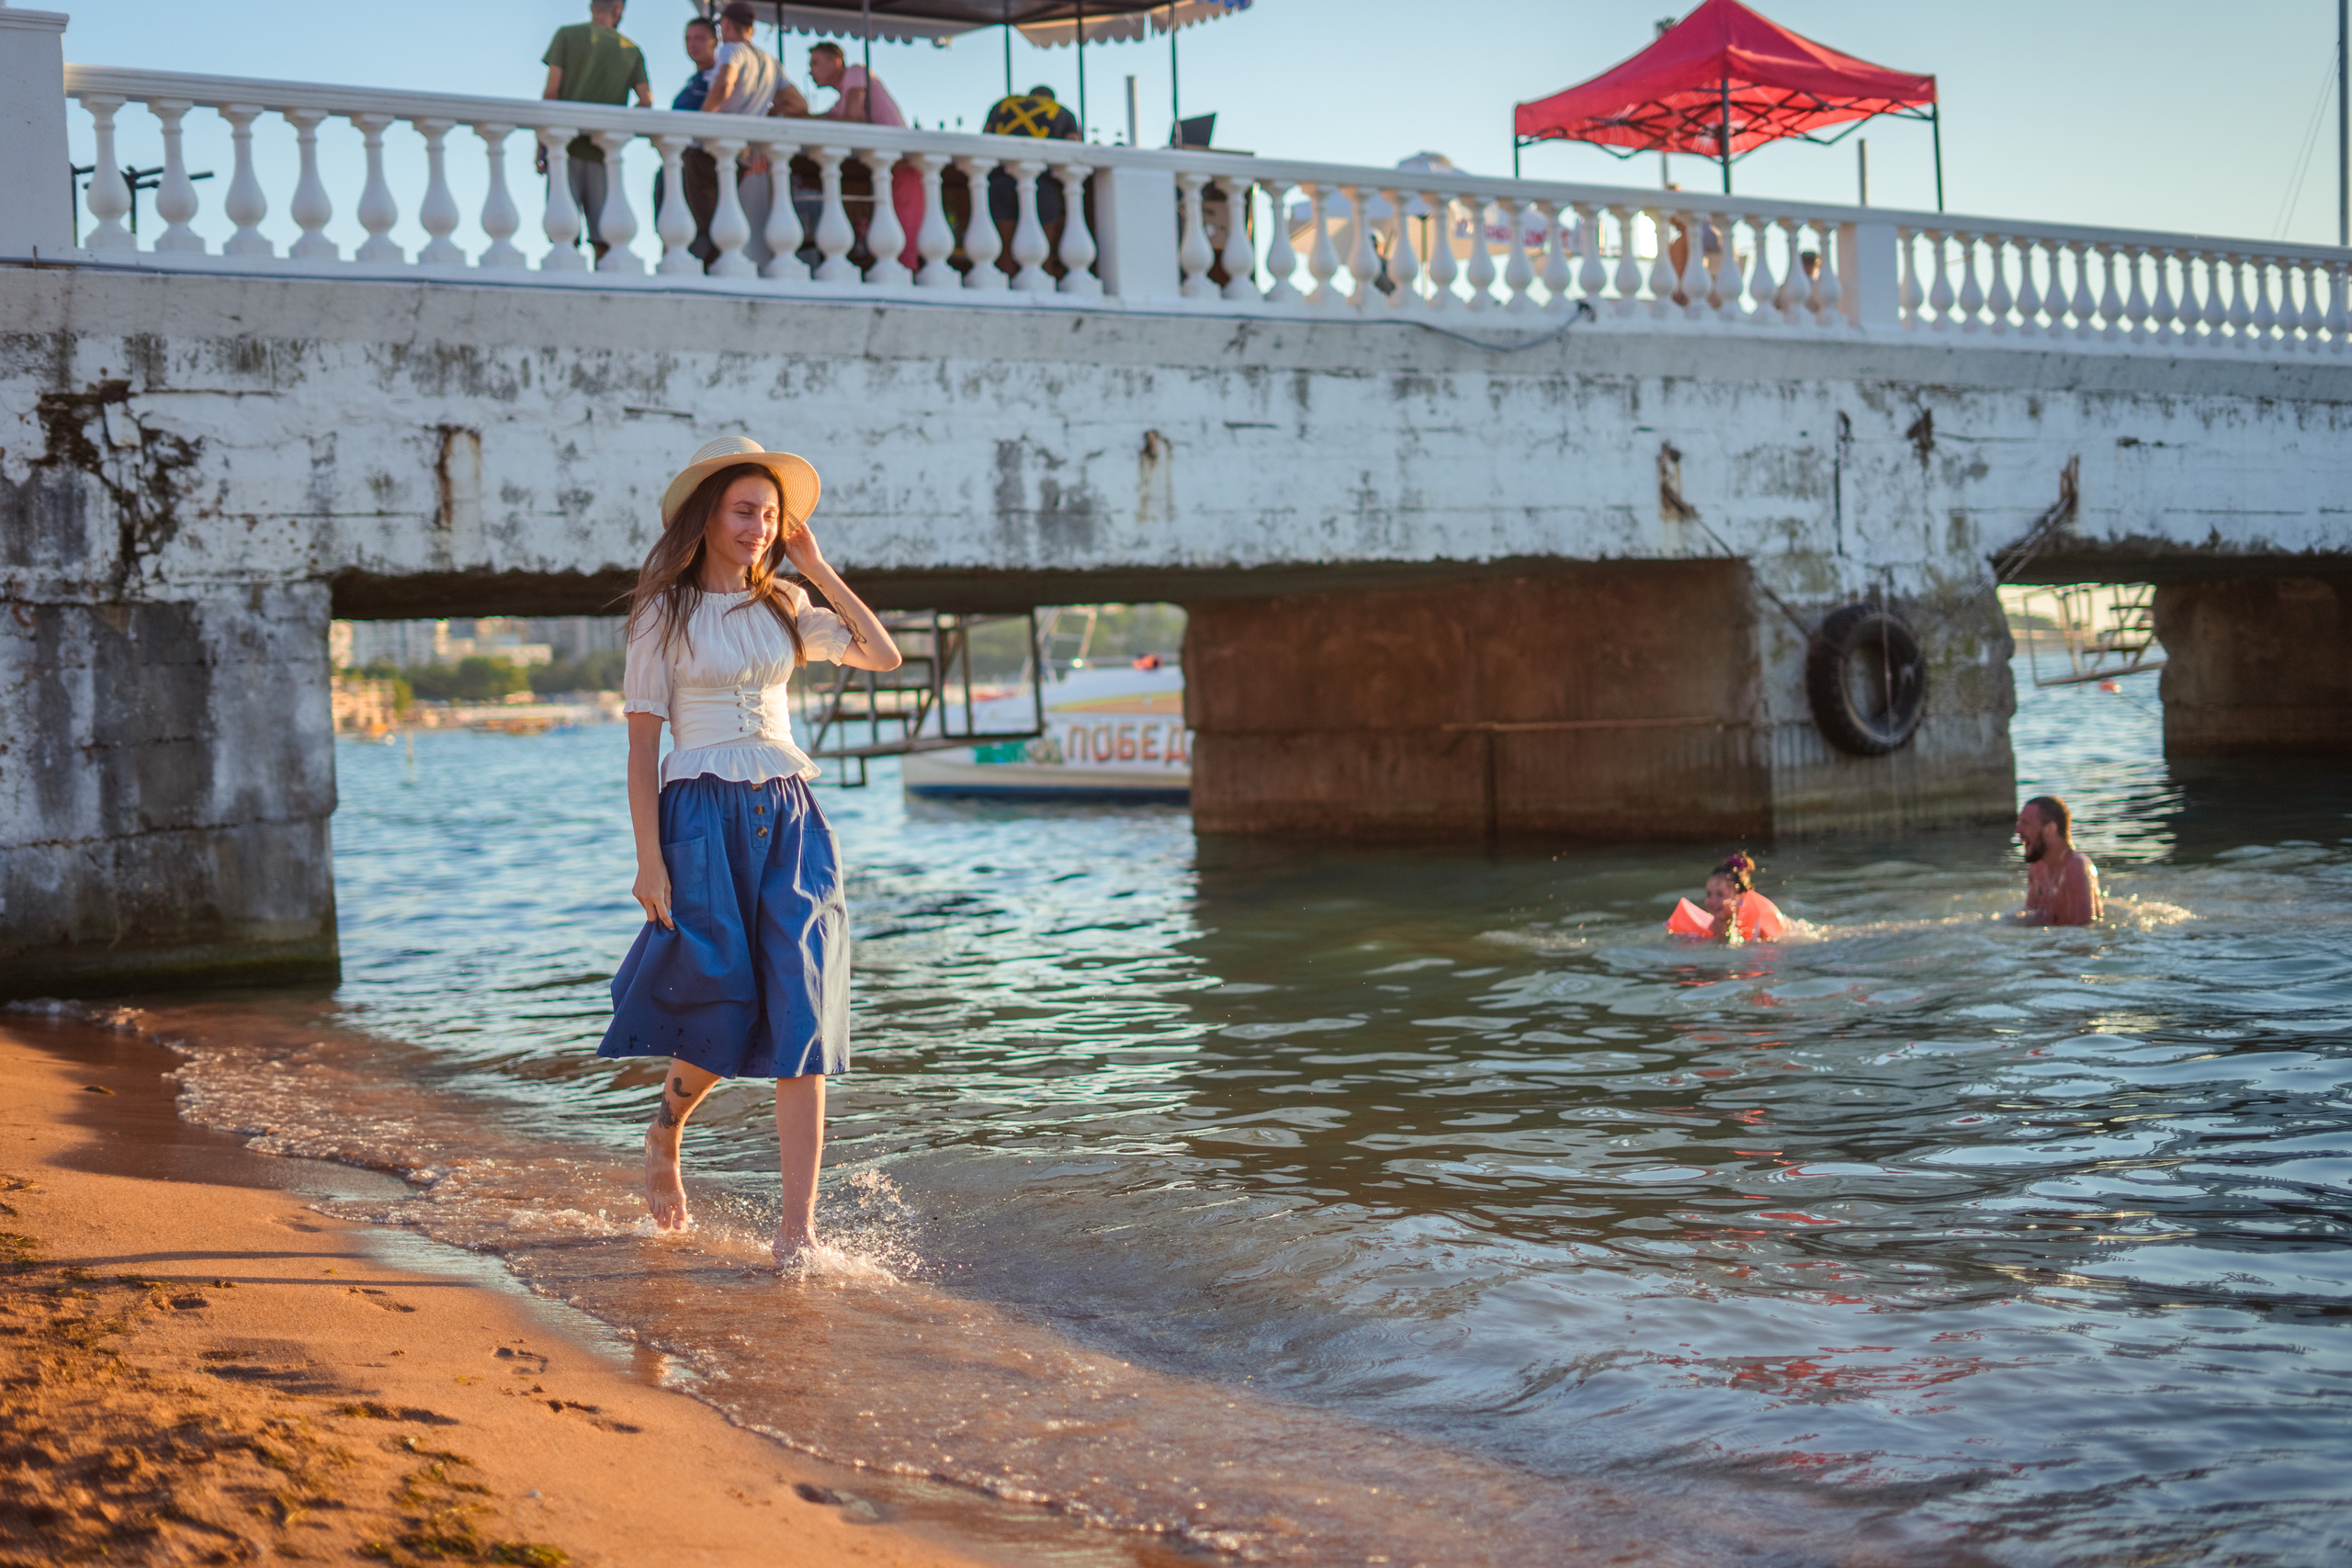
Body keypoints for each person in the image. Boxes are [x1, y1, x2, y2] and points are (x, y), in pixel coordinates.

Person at [600, 435, 902, 1265]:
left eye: (771, 515)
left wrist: (821, 565)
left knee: (800, 1015)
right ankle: (666, 1132)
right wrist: (648, 858)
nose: (760, 527)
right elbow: (639, 750)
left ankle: (796, 1230)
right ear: (707, 515)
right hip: (697, 814)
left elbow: (883, 654)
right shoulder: (662, 614)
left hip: (790, 813)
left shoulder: (786, 606)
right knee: (719, 1001)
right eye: (745, 511)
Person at [539, 0, 653, 262]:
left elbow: (551, 92)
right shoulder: (631, 50)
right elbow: (646, 102)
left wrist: (542, 143)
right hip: (603, 154)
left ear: (592, 7)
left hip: (565, 149)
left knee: (564, 235)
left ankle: (568, 285)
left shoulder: (567, 36)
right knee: (605, 237)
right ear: (618, 11)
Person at [695, 3, 783, 267]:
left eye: (722, 26)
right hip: (751, 150)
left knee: (709, 204)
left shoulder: (731, 50)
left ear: (729, 25)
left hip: (722, 146)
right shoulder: (770, 62)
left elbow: (724, 83)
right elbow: (797, 103)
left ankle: (708, 256)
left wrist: (699, 121)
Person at [980, 84, 1079, 254]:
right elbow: (1074, 148)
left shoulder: (1002, 105)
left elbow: (985, 138)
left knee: (1005, 252)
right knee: (1041, 253)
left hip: (1000, 183)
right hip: (1042, 185)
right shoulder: (1063, 112)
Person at [658, 16, 719, 263]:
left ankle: (702, 257)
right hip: (680, 159)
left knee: (701, 219)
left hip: (703, 161)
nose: (693, 44)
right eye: (688, 39)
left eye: (700, 38)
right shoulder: (693, 82)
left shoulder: (720, 78)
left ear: (715, 41)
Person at [2016, 795, 2101, 927]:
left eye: (2025, 823)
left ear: (2050, 829)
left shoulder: (2075, 868)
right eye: (2019, 823)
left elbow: (2085, 934)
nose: (2018, 830)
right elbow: (2029, 918)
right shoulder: (2037, 867)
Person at [1666, 852, 1788, 943]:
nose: (1712, 901)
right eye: (1709, 894)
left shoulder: (1758, 927)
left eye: (1720, 895)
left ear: (1740, 897)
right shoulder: (1700, 933)